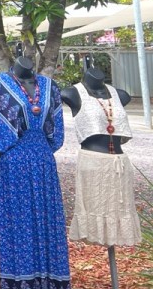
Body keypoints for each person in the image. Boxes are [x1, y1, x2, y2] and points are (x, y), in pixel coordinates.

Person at [0, 56, 71, 289]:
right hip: (15, 160)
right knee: (19, 225)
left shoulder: (49, 86)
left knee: (47, 225)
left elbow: (56, 128)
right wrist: (9, 144)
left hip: (44, 161)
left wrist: (42, 146)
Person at [61, 66, 142, 246]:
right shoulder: (71, 93)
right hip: (92, 163)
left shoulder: (120, 95)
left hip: (120, 164)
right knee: (95, 209)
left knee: (121, 209)